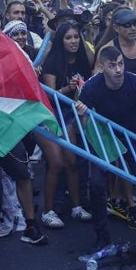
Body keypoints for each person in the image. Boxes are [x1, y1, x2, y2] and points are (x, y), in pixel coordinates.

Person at [76, 47, 136, 251]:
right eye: (112, 66)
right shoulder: (91, 87)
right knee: (96, 185)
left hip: (134, 135)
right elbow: (84, 126)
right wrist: (82, 114)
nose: (118, 70)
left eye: (121, 64)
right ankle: (102, 236)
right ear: (102, 67)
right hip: (106, 136)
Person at [38, 20, 92, 228]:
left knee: (72, 161)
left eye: (76, 37)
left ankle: (76, 207)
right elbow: (50, 96)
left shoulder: (82, 60)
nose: (73, 41)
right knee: (57, 163)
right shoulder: (53, 62)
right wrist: (68, 89)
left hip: (70, 115)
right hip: (51, 116)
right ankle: (47, 211)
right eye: (68, 38)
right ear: (61, 41)